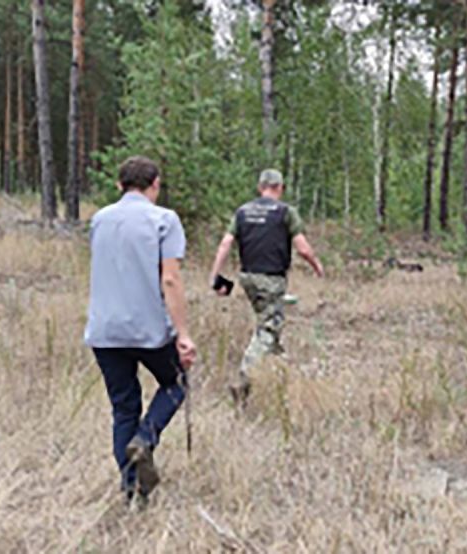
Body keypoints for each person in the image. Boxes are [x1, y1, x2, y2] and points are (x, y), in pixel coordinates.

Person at [84, 156, 196, 505]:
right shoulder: (164, 220)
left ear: (119, 185)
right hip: (148, 329)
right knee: (176, 383)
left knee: (123, 408)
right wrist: (183, 334)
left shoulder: (99, 219)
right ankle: (145, 439)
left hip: (104, 330)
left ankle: (132, 492)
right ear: (155, 184)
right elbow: (170, 279)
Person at [208, 169, 323, 403]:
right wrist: (317, 265)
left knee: (271, 323)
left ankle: (280, 375)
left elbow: (225, 243)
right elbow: (302, 248)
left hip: (247, 277)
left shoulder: (242, 212)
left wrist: (215, 276)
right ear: (280, 187)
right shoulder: (286, 212)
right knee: (268, 329)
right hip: (271, 279)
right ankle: (242, 382)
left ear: (260, 187)